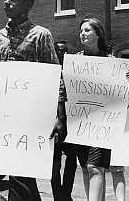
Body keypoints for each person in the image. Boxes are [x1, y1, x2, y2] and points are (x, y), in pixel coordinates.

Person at [0, 0, 68, 201]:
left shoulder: (40, 35)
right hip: (4, 119)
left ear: (27, 4)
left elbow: (54, 76)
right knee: (15, 174)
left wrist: (61, 116)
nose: (6, 2)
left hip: (30, 119)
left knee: (23, 175)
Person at [75, 18, 129, 201]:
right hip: (81, 121)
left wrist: (126, 78)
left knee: (95, 167)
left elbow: (119, 95)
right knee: (85, 168)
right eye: (81, 31)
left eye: (87, 30)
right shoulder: (76, 60)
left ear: (97, 34)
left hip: (103, 123)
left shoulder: (111, 62)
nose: (82, 34)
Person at [51, 41, 77, 201]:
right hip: (52, 123)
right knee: (54, 164)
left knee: (72, 159)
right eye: (59, 51)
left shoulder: (73, 70)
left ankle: (66, 194)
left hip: (71, 122)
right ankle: (58, 196)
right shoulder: (49, 70)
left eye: (65, 51)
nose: (62, 54)